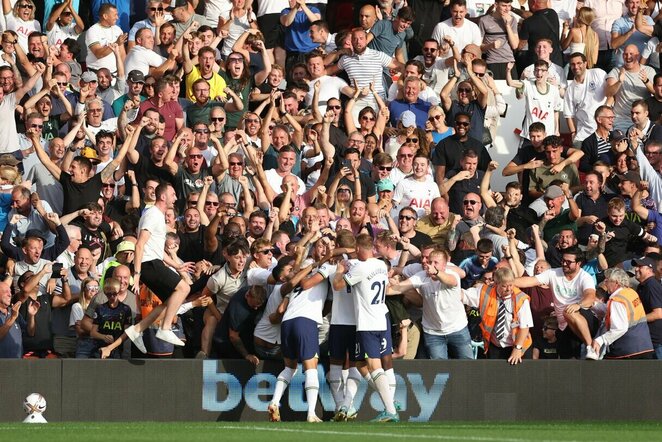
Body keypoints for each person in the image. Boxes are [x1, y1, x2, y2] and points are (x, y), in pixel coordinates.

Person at [99, 183, 191, 358]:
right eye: (173, 194)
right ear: (163, 196)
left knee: (168, 301)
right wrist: (138, 273)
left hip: (153, 262)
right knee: (184, 288)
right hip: (149, 265)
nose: (176, 198)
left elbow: (155, 247)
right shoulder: (153, 215)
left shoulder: (156, 215)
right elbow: (140, 244)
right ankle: (165, 328)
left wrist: (176, 265)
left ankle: (137, 331)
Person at [332, 233, 399, 422]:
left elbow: (337, 285)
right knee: (360, 364)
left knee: (373, 365)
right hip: (381, 318)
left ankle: (390, 409)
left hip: (367, 323)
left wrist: (339, 270)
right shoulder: (380, 264)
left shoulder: (360, 268)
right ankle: (390, 401)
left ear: (360, 249)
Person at [513, 247, 599, 359]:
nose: (564, 264)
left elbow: (590, 297)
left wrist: (578, 305)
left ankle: (590, 346)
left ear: (578, 263)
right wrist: (507, 281)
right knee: (567, 359)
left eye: (569, 262)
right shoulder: (553, 273)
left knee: (569, 312)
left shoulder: (585, 277)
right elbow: (529, 280)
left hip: (585, 319)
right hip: (564, 326)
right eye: (563, 260)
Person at [390, 249, 473, 359]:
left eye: (435, 263)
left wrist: (437, 273)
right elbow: (399, 288)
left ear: (445, 265)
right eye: (430, 262)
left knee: (468, 364)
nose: (431, 266)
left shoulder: (452, 275)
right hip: (433, 332)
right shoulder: (422, 275)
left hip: (457, 328)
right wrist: (383, 288)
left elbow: (451, 281)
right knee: (439, 370)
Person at [462, 267, 533, 364]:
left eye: (511, 285)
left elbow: (525, 327)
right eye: (504, 286)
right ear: (495, 284)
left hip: (519, 346)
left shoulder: (521, 299)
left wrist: (517, 348)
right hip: (495, 346)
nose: (508, 289)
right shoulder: (484, 292)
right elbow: (463, 295)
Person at [590, 267, 654, 359]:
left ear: (616, 283)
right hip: (644, 346)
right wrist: (594, 305)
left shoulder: (617, 300)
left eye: (607, 280)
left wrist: (600, 340)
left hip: (626, 350)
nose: (605, 283)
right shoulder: (631, 293)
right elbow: (619, 312)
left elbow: (620, 328)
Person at [631, 256, 662, 359]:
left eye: (640, 266)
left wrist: (636, 320)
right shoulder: (642, 286)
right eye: (636, 266)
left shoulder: (651, 285)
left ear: (650, 270)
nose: (636, 269)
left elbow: (658, 314)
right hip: (648, 340)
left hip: (657, 342)